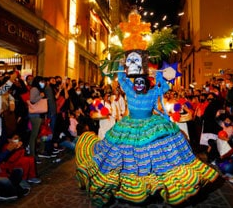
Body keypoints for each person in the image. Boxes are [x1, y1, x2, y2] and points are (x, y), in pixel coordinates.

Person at [75, 62, 219, 206]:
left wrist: (158, 75)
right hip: (129, 127)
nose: (138, 84)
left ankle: (156, 184)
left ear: (146, 85)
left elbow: (164, 87)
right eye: (136, 82)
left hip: (152, 126)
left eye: (141, 82)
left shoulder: (151, 93)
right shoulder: (130, 92)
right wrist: (120, 66)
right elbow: (122, 80)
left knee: (158, 156)